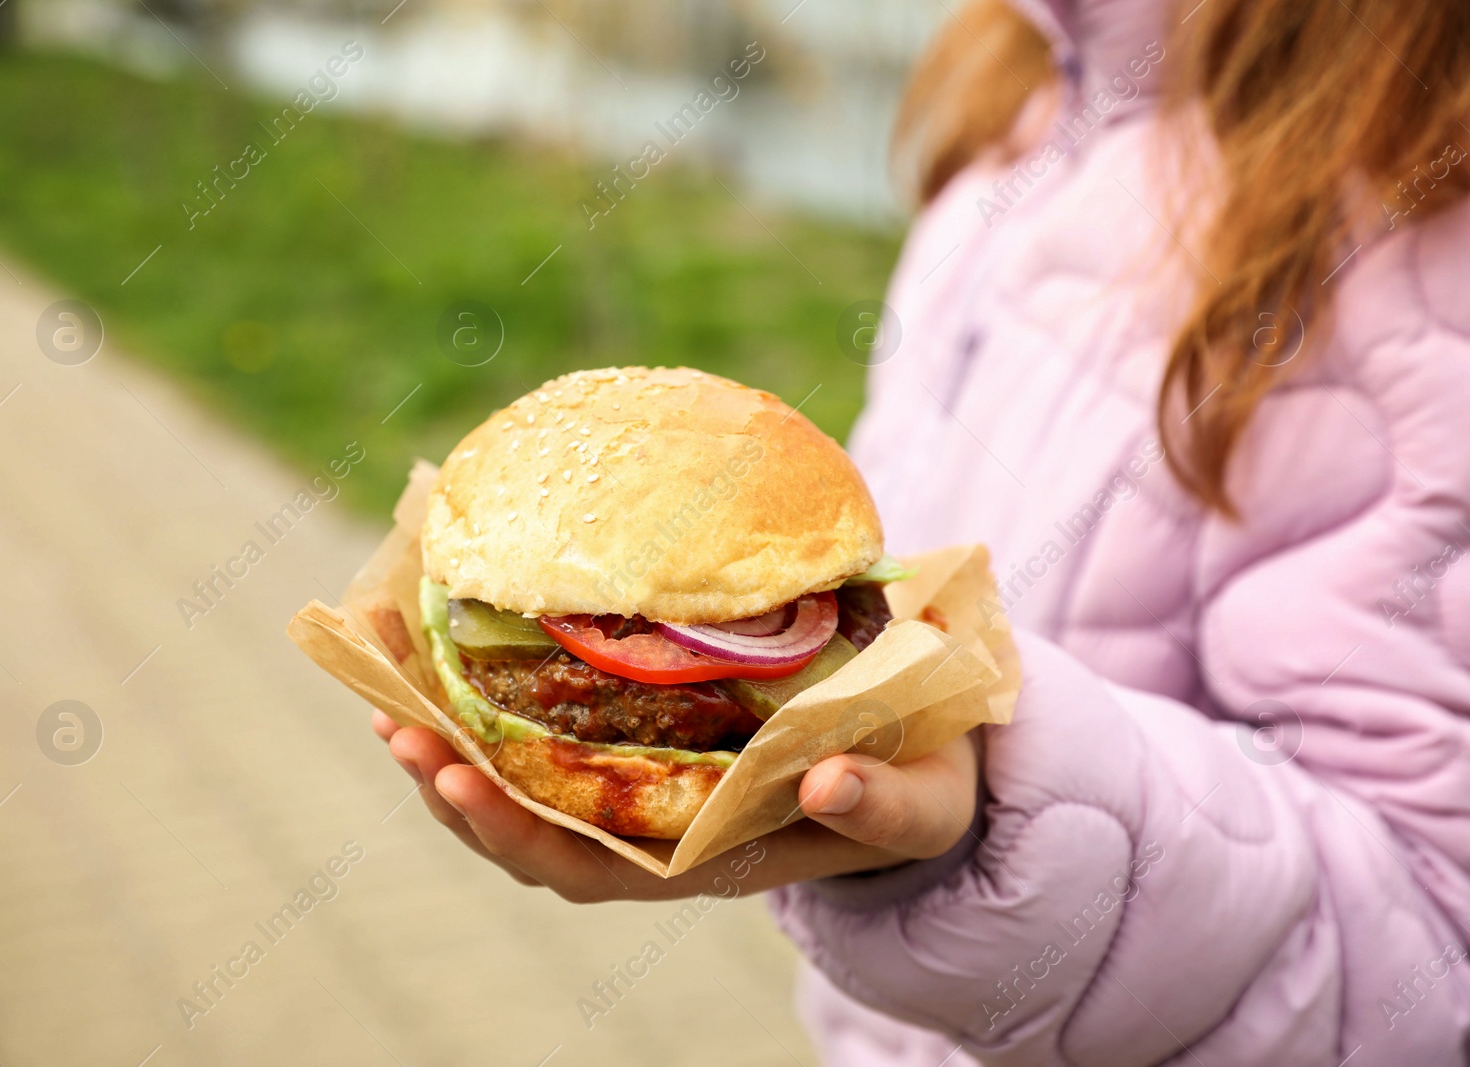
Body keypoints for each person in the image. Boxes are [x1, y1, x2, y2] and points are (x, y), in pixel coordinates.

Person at [373, 0, 1470, 1061]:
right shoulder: (1027, 105)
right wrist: (890, 846)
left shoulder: (1432, 236)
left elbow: (1428, 977)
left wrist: (986, 813)